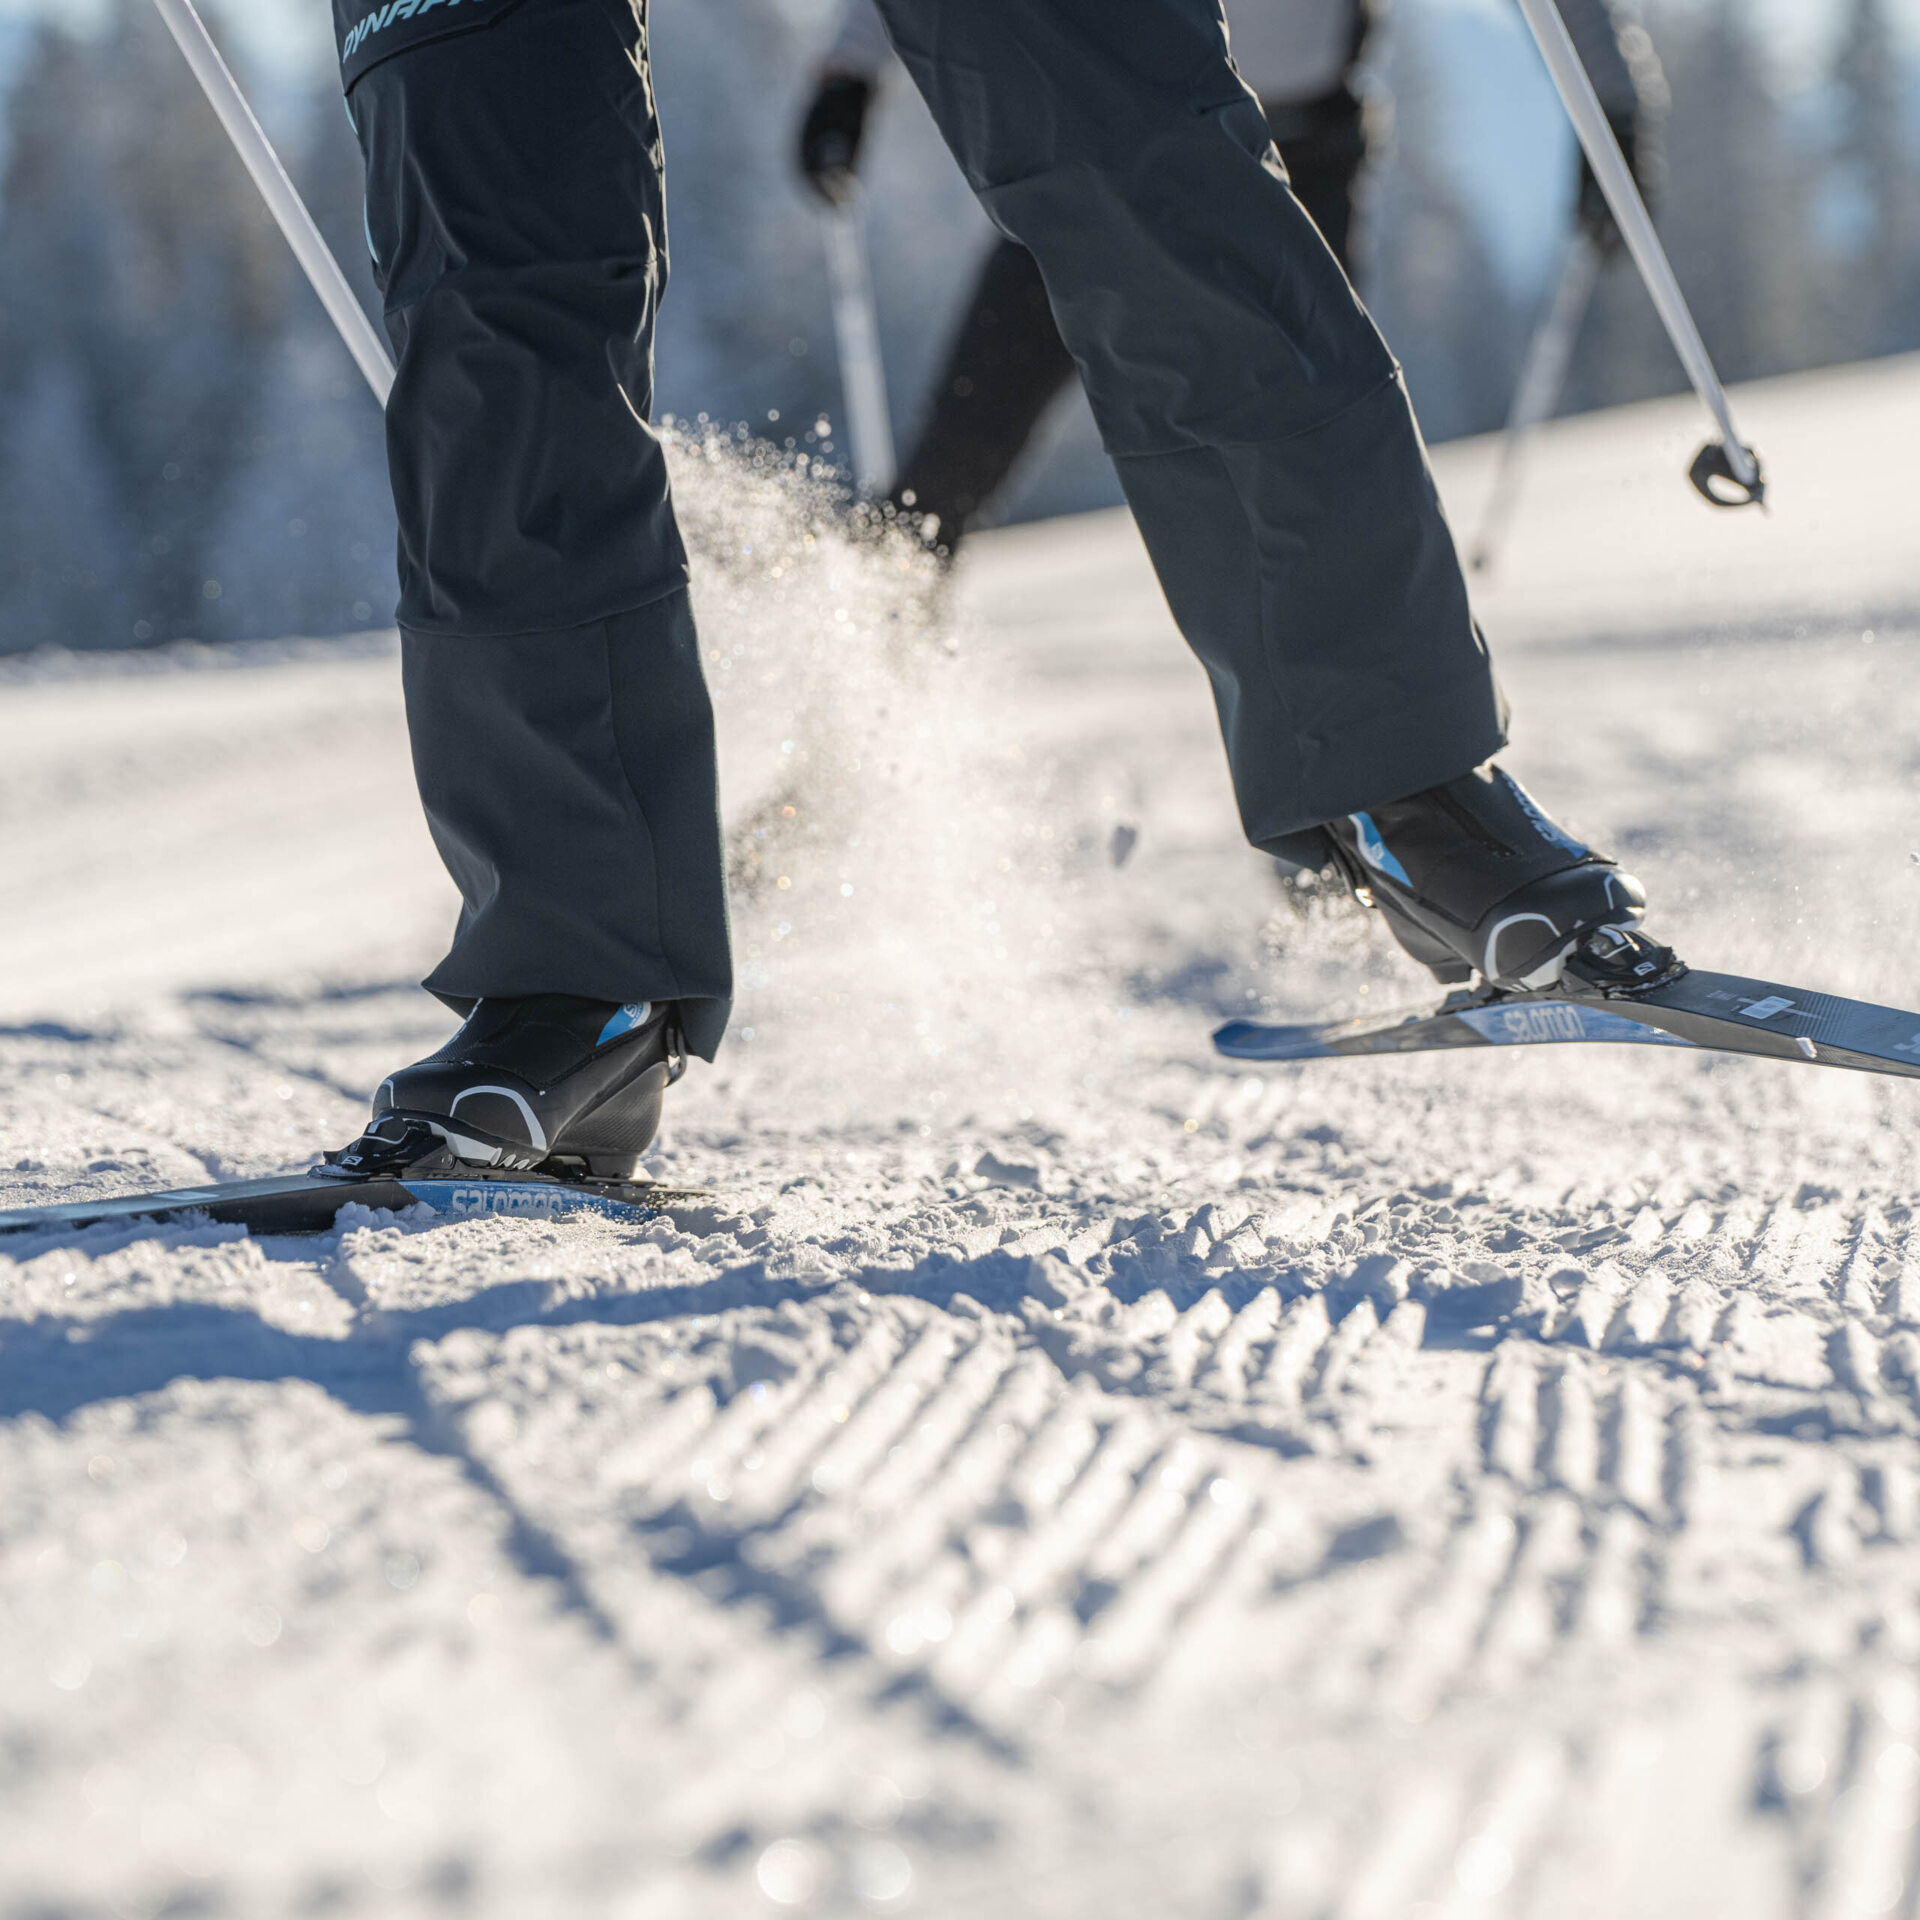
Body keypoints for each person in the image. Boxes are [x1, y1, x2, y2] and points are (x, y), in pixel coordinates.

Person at [327, 0, 1665, 1182]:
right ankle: (579, 984)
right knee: (490, 321)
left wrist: (1609, 85)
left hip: (1304, 116)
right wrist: (851, 73)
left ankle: (1398, 778)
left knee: (1141, 163)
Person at [796, 0, 1665, 553]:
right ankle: (860, 734)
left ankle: (1381, 772)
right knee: (960, 449)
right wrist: (850, 73)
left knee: (1324, 466)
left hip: (1298, 160)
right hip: (1101, 138)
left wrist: (1615, 113)